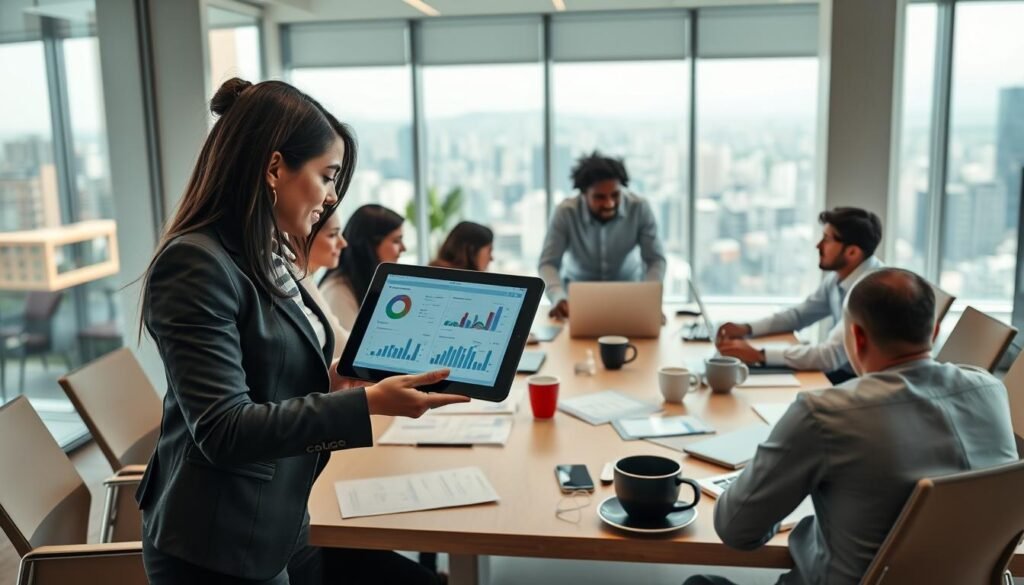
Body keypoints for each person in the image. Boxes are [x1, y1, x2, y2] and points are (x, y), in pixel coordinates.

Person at [137, 77, 469, 585]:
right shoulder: (196, 263)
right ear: (274, 168)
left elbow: (271, 368)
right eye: (328, 176)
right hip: (218, 541)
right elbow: (223, 429)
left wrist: (333, 381)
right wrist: (367, 403)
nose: (333, 197)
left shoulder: (267, 256)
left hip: (284, 514)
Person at [686, 268, 1018, 585]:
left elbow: (736, 530)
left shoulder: (823, 414)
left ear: (856, 337)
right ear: (933, 332)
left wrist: (780, 477)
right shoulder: (990, 390)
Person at [716, 207, 883, 381]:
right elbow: (798, 316)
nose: (818, 245)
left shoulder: (870, 291)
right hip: (845, 373)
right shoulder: (839, 277)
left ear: (852, 252)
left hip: (863, 382)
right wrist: (746, 329)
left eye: (826, 239)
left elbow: (829, 356)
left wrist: (759, 354)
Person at [537, 151, 666, 320]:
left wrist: (650, 299)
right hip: (576, 303)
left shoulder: (639, 208)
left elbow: (655, 259)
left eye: (615, 195)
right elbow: (548, 263)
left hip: (629, 299)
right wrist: (557, 297)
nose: (609, 203)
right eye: (599, 197)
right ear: (583, 194)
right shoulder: (565, 212)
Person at [320, 204, 405, 330]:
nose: (404, 248)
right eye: (396, 241)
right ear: (369, 246)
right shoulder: (338, 292)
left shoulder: (371, 284)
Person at [294, 206, 349, 361]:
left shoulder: (307, 280)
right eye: (332, 234)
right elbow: (339, 344)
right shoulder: (299, 280)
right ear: (302, 235)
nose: (343, 243)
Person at [430, 221, 494, 271]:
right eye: (489, 251)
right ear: (472, 251)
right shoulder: (471, 281)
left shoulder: (430, 272)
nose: (491, 258)